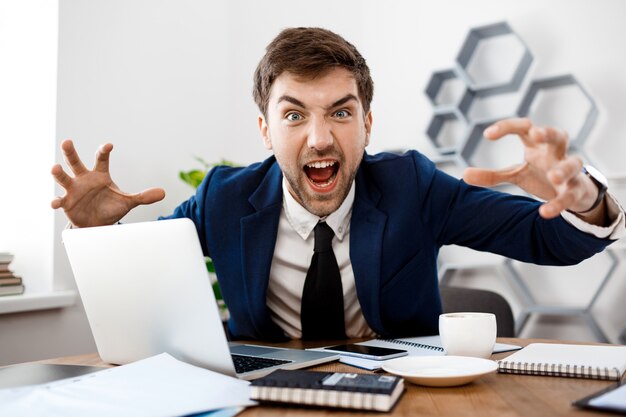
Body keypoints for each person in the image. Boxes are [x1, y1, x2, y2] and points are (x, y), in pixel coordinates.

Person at [51, 27, 625, 341]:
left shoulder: (412, 186)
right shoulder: (223, 198)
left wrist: (586, 201)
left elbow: (550, 239)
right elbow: (145, 286)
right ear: (265, 129)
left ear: (367, 123)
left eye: (341, 113)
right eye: (295, 115)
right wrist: (105, 234)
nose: (321, 139)